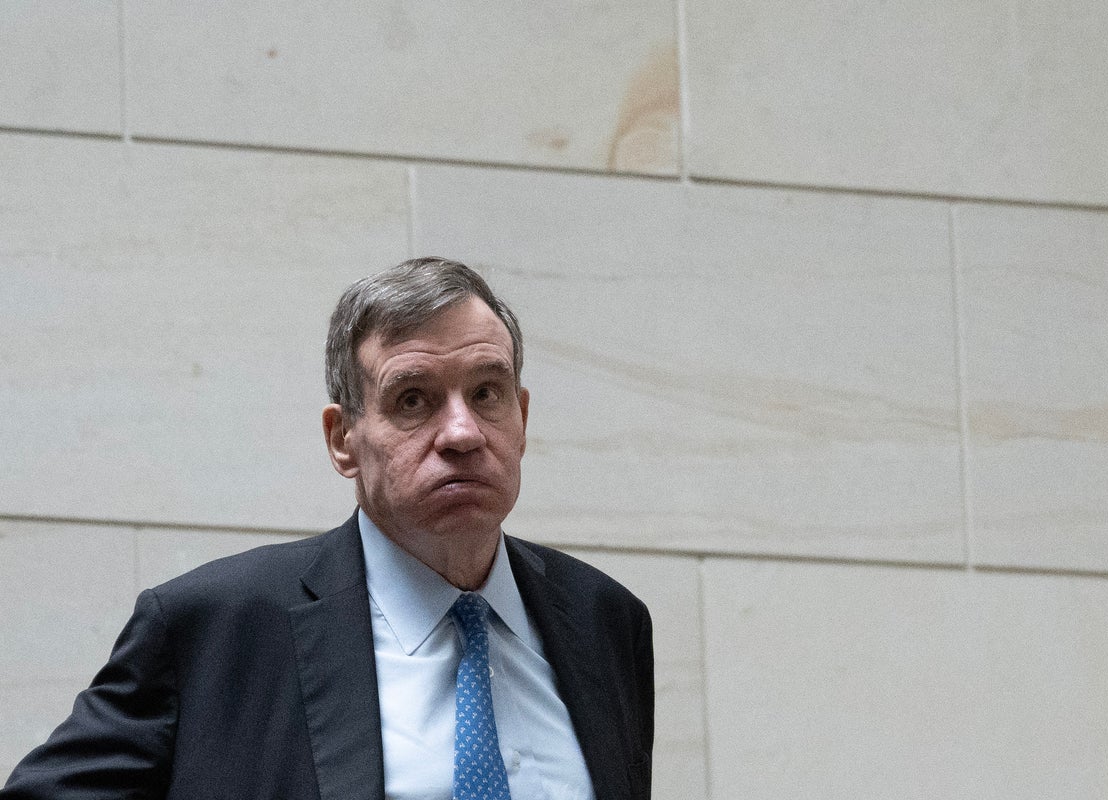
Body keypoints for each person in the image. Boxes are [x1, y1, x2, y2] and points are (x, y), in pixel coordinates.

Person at [2, 257, 654, 800]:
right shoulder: (211, 628)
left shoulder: (606, 621)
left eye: (487, 393)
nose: (462, 433)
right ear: (343, 439)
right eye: (413, 399)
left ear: (522, 417)